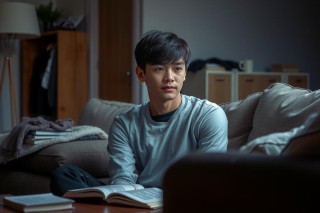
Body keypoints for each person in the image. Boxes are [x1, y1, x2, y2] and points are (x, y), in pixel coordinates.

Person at [50, 30, 228, 196]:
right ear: (141, 74)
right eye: (159, 69)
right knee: (64, 175)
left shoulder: (209, 115)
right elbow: (122, 179)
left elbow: (207, 180)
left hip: (183, 198)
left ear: (185, 74)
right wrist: (127, 198)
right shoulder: (124, 123)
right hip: (139, 197)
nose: (170, 77)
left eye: (177, 68)